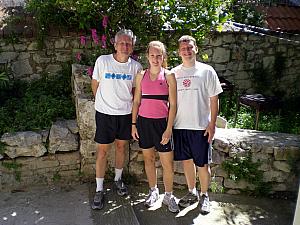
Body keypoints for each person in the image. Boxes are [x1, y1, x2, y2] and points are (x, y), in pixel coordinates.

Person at [91, 29, 142, 210]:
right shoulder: (103, 61)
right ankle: (99, 189)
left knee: (121, 147)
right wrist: (104, 103)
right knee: (102, 152)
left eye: (128, 43)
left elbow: (136, 92)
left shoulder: (136, 67)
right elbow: (95, 84)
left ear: (132, 46)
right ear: (115, 44)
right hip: (104, 114)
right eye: (122, 43)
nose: (125, 46)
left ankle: (118, 180)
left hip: (125, 114)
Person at [171, 35, 223, 214]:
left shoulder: (207, 71)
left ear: (196, 49)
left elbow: (214, 100)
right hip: (180, 126)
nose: (187, 51)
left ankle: (205, 195)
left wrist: (212, 124)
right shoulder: (173, 73)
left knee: (203, 164)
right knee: (186, 161)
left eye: (190, 47)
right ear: (179, 52)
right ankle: (191, 192)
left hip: (201, 126)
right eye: (183, 49)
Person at [131, 41, 179, 213]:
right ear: (147, 56)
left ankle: (169, 195)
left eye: (159, 55)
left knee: (168, 164)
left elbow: (173, 105)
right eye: (152, 55)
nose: (155, 58)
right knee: (149, 160)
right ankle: (153, 191)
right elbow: (136, 101)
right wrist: (134, 124)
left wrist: (168, 129)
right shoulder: (140, 75)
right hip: (143, 123)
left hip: (162, 125)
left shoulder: (169, 76)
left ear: (163, 57)